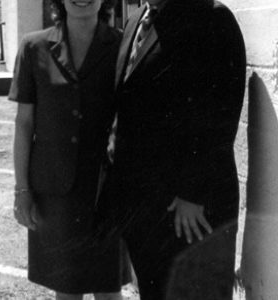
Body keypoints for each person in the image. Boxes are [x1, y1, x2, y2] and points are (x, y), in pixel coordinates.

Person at [98, 0, 246, 299]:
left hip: (191, 209)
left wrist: (193, 193)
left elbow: (222, 113)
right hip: (146, 205)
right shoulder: (137, 19)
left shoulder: (211, 17)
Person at [9, 0, 131, 299]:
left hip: (107, 191)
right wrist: (22, 190)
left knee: (108, 289)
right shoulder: (32, 47)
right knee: (66, 290)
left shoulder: (123, 45)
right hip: (55, 193)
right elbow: (24, 124)